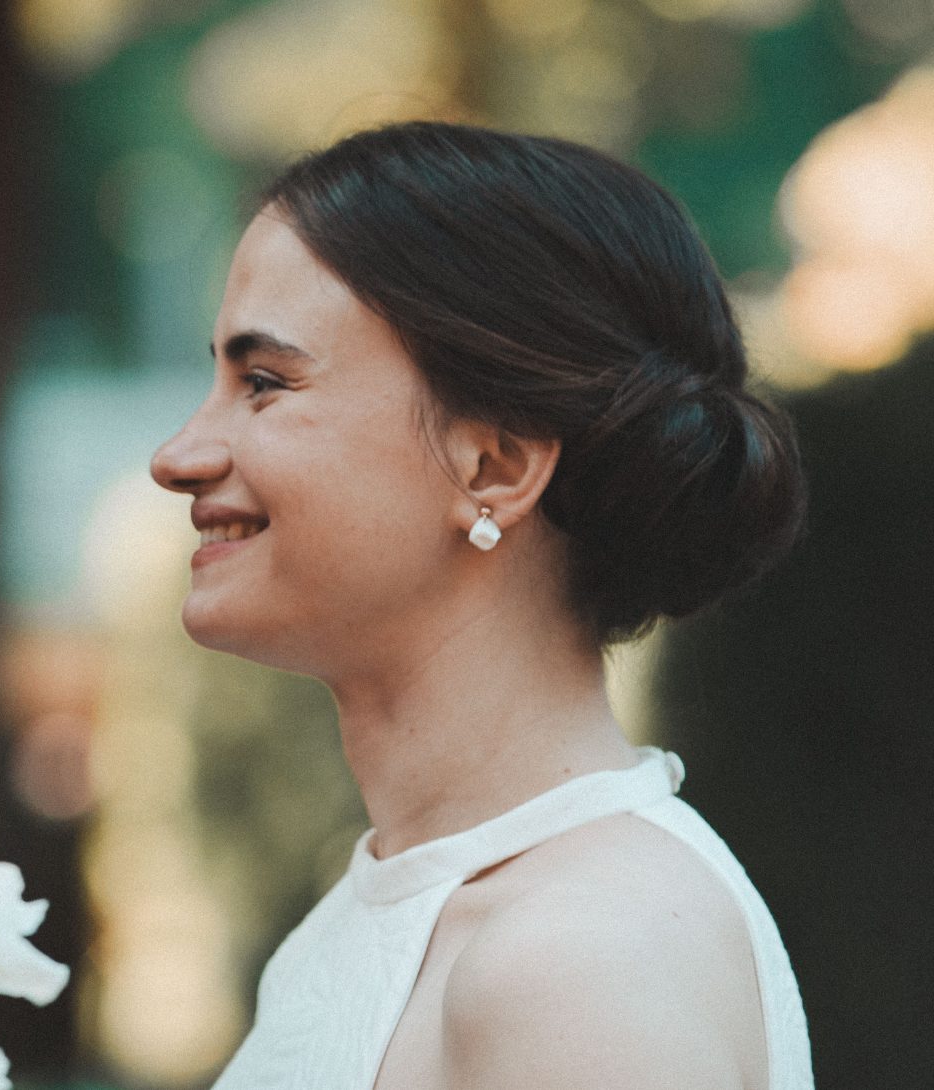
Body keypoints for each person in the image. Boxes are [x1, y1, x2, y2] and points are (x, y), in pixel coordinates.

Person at [153, 122, 812, 1089]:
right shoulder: (387, 915)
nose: (179, 456)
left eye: (264, 382)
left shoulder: (581, 966)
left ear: (493, 465)